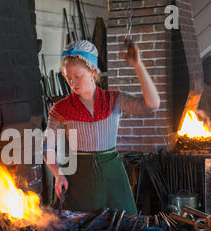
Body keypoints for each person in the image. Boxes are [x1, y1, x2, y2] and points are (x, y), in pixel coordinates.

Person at [43, 40, 160, 214]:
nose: (73, 83)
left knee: (124, 226)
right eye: (68, 78)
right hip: (77, 176)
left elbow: (152, 105)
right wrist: (58, 173)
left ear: (93, 72)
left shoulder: (113, 100)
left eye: (78, 76)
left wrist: (138, 65)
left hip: (113, 175)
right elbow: (47, 147)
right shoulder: (61, 109)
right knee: (78, 230)